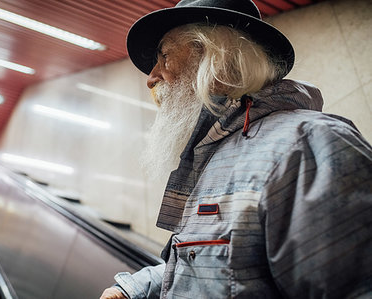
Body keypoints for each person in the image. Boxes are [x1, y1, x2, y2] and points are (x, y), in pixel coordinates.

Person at [100, 0, 372, 298]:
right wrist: (133, 290)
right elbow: (211, 266)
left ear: (217, 59)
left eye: (165, 56)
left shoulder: (308, 145)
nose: (152, 77)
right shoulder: (215, 153)